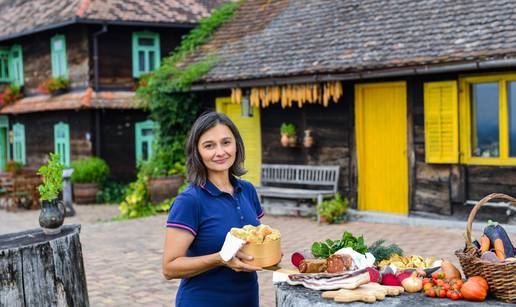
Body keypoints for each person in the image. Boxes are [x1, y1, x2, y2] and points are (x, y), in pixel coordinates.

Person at [162, 111, 265, 307]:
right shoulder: (189, 201)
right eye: (209, 146)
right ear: (197, 152)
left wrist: (268, 252)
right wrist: (221, 258)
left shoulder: (247, 190)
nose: (220, 152)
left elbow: (254, 241)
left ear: (236, 144)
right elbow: (169, 267)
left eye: (226, 142)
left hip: (248, 299)